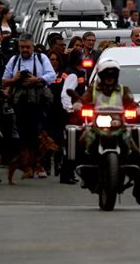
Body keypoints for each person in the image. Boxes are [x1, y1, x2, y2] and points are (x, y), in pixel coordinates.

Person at [72, 59, 140, 206]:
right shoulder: (93, 89)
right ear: (101, 75)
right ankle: (80, 173)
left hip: (119, 127)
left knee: (138, 153)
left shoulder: (124, 90)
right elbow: (83, 99)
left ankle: (138, 190)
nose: (110, 77)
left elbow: (132, 103)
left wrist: (138, 110)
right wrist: (79, 104)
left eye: (112, 75)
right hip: (96, 127)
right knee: (80, 141)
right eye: (107, 75)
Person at [2, 33, 55, 156]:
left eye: (27, 47)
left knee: (38, 132)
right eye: (22, 47)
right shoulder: (14, 60)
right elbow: (4, 81)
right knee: (22, 133)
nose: (25, 50)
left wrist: (37, 79)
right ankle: (28, 161)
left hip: (38, 103)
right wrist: (15, 79)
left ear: (33, 46)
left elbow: (52, 75)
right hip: (20, 104)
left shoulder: (41, 58)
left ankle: (40, 163)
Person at [60, 50, 87, 184]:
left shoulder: (76, 72)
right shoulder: (73, 75)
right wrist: (69, 109)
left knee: (74, 144)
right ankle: (66, 174)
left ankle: (69, 173)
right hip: (72, 115)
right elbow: (65, 94)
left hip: (75, 113)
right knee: (71, 144)